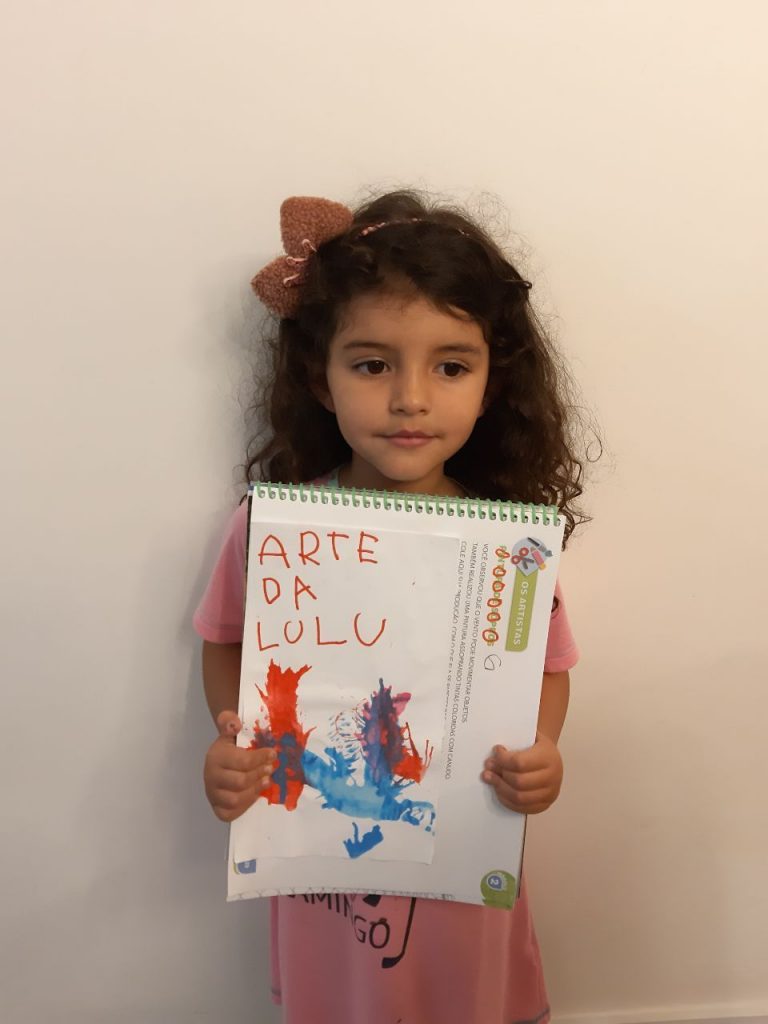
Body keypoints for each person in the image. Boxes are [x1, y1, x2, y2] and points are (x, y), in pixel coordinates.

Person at [194, 191, 589, 1024]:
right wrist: (233, 741)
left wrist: (543, 747)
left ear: (492, 382)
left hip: (463, 844)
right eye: (373, 365)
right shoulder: (272, 528)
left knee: (472, 998)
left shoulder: (509, 547)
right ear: (320, 376)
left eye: (451, 366)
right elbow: (227, 641)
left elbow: (546, 666)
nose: (411, 398)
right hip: (323, 861)